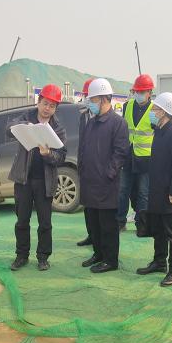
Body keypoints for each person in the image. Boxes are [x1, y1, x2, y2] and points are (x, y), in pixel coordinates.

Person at [7, 84, 67, 271]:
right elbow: (9, 129)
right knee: (22, 221)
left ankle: (43, 257)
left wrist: (48, 154)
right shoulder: (26, 118)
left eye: (52, 106)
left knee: (45, 223)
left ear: (56, 108)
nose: (48, 108)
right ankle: (21, 256)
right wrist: (24, 128)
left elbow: (61, 157)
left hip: (45, 182)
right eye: (45, 103)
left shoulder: (58, 128)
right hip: (23, 179)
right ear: (38, 102)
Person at [136, 92, 172, 287]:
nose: (152, 112)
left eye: (155, 109)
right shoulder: (159, 131)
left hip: (170, 193)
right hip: (157, 191)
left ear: (165, 112)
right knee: (158, 230)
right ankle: (159, 262)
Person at [79, 78, 129, 273]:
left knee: (108, 225)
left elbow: (120, 153)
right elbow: (84, 149)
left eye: (93, 100)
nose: (90, 103)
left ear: (103, 99)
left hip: (107, 184)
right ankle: (98, 253)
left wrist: (109, 174)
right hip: (89, 182)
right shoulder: (91, 123)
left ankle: (110, 260)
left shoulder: (118, 123)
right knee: (93, 223)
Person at [117, 74, 155, 234]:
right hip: (128, 156)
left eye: (142, 92)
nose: (138, 94)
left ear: (150, 92)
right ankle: (120, 222)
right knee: (122, 190)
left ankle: (142, 224)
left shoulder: (155, 110)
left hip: (146, 158)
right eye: (136, 91)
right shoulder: (127, 106)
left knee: (143, 193)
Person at [77, 78, 95, 247]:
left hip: (100, 170)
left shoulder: (108, 119)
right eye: (85, 96)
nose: (86, 99)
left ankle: (99, 238)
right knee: (87, 206)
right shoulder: (83, 116)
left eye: (89, 96)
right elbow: (82, 142)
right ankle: (91, 235)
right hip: (86, 168)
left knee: (99, 209)